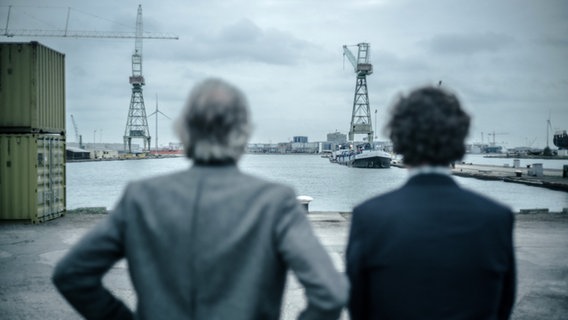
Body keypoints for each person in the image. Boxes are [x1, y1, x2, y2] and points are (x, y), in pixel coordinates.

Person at [53, 78, 348, 320]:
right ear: (243, 135)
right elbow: (330, 293)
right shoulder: (275, 202)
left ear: (184, 133)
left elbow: (71, 274)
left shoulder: (140, 199)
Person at [346, 86, 516, 319]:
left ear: (399, 141)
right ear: (459, 140)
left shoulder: (369, 217)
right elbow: (503, 307)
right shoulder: (497, 217)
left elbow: (359, 307)